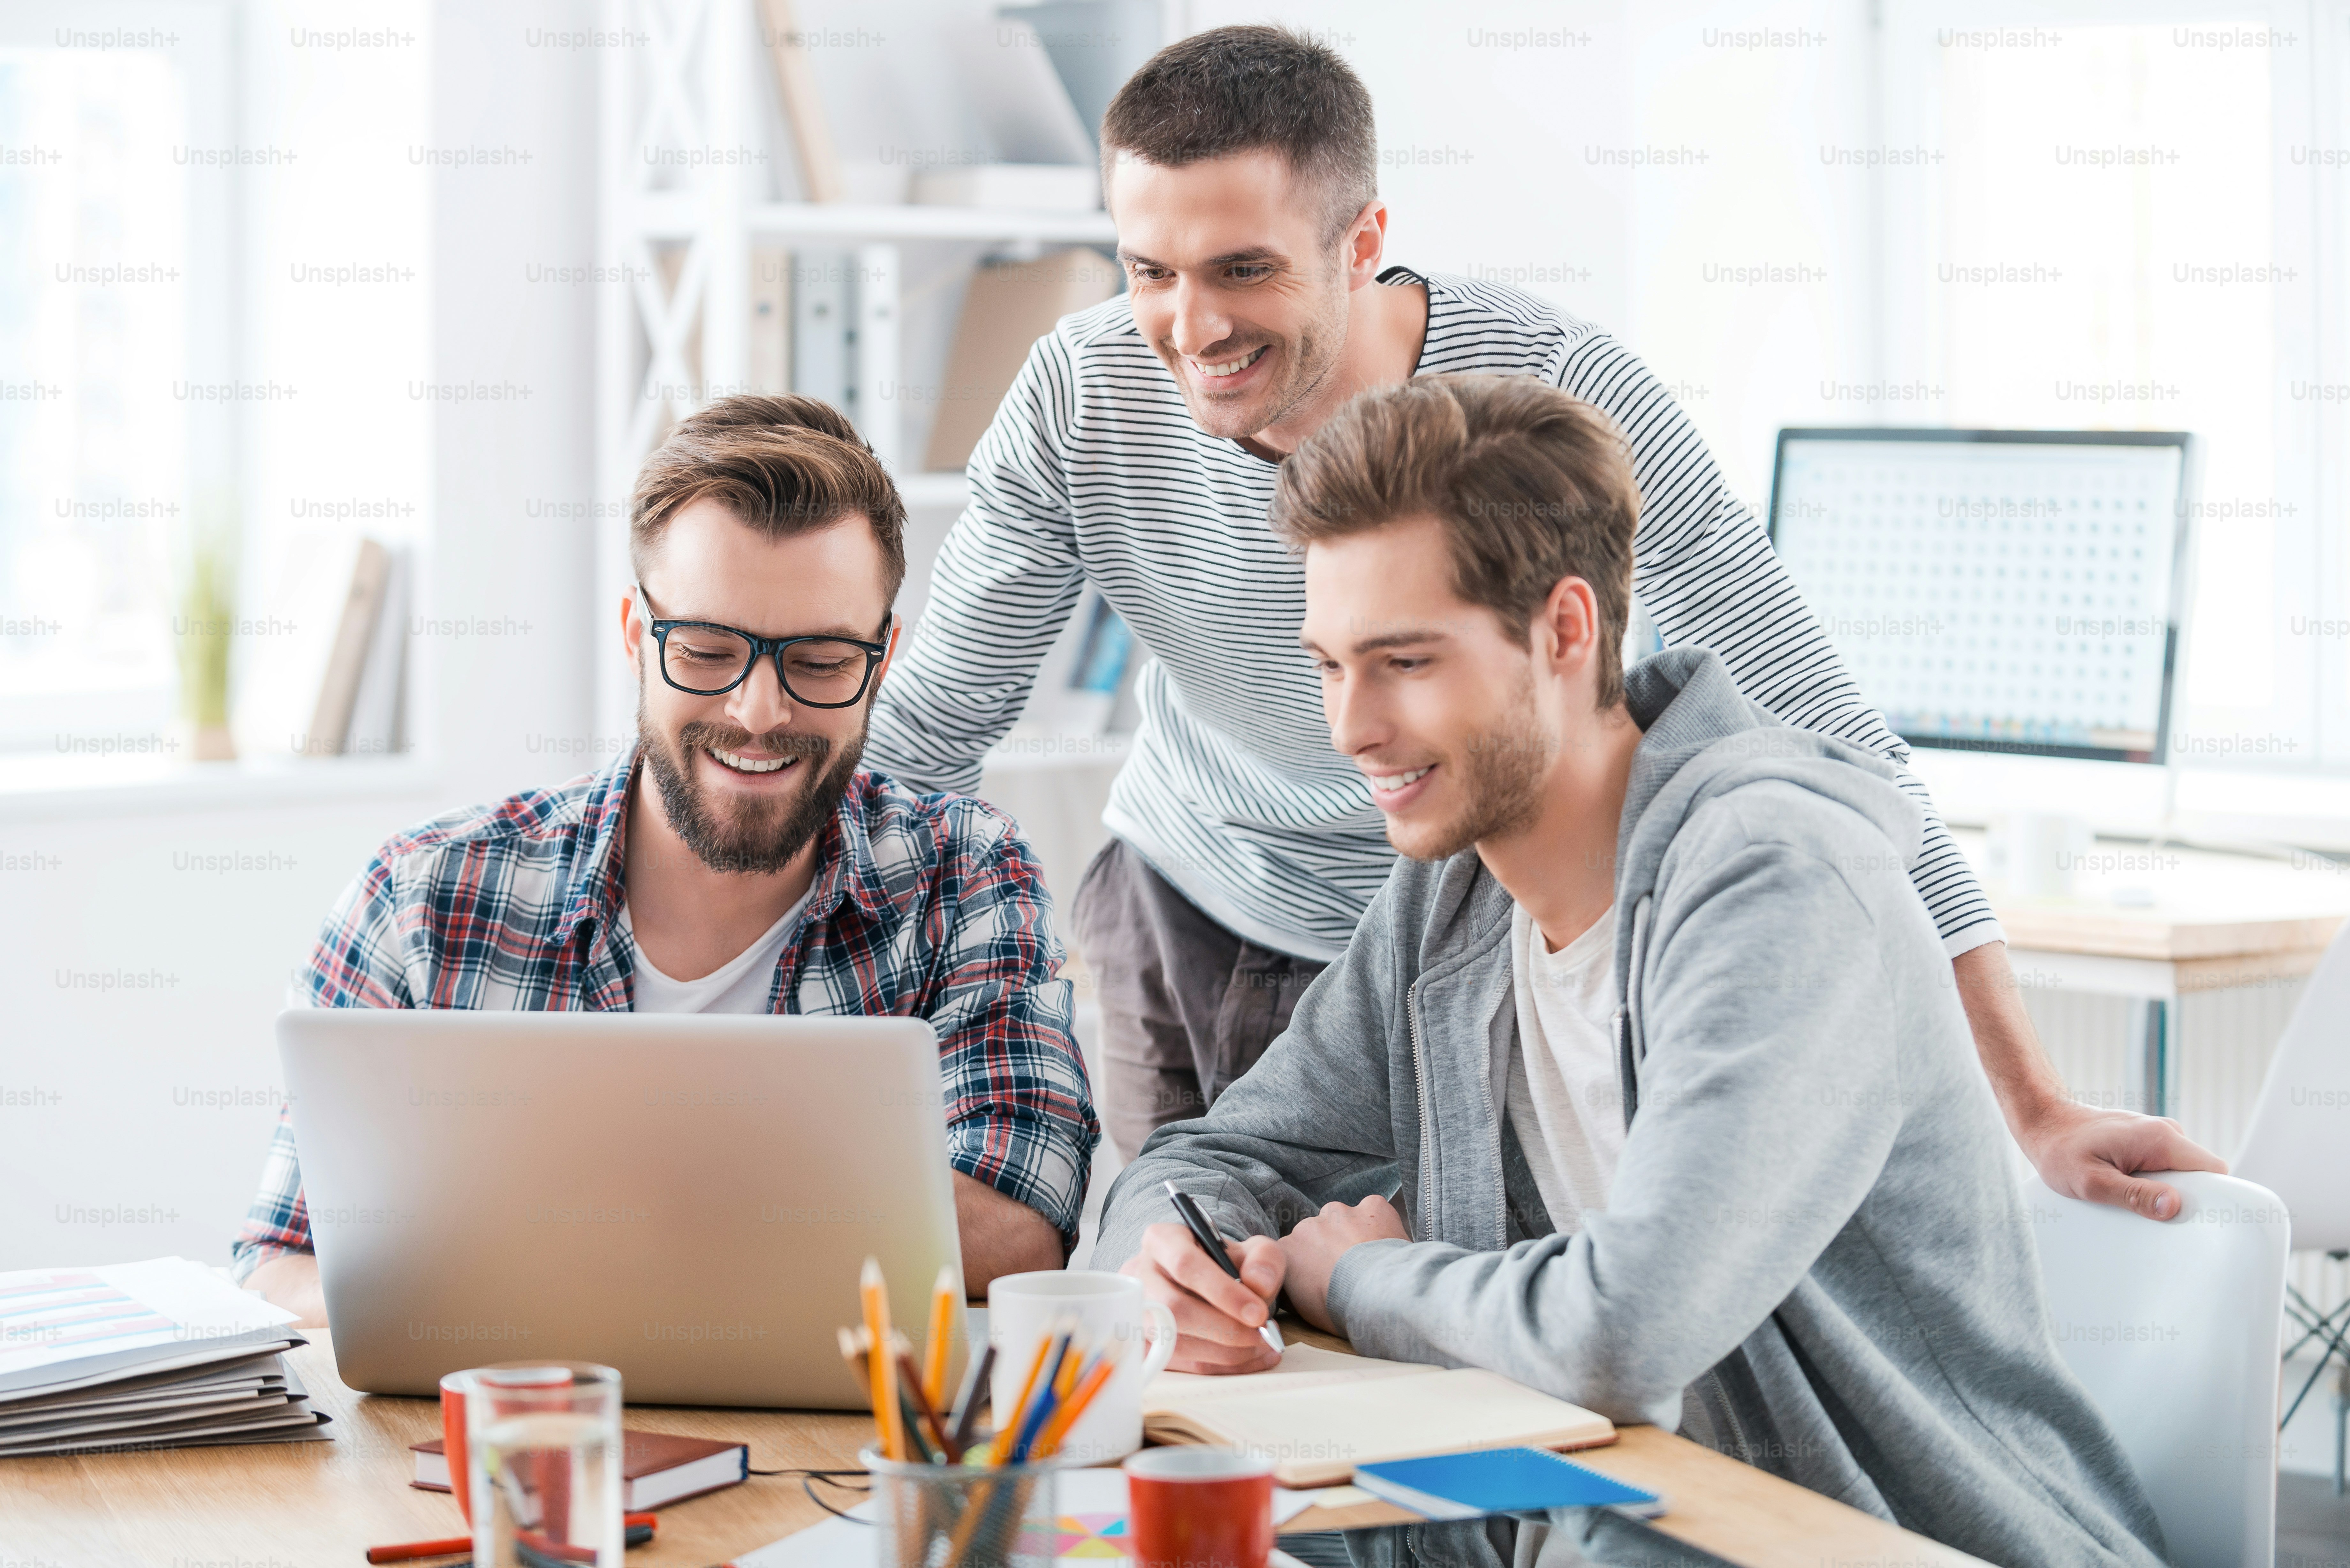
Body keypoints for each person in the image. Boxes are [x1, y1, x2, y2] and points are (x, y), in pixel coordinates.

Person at [861, 24, 2220, 1215]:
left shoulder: (1554, 397)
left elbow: (1831, 738)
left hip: (1459, 932)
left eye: (1240, 270)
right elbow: (930, 731)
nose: (1187, 326)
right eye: (1146, 270)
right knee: (1201, 1333)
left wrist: (2031, 1104)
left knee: (1434, 1354)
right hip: (1188, 899)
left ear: (1365, 243)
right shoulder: (1080, 392)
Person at [1095, 376, 2167, 1568]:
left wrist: (1359, 1279)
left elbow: (1625, 1330)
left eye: (1404, 662)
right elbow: (1222, 1155)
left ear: (1565, 630)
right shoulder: (1449, 898)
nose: (1351, 727)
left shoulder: (1777, 878)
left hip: (1886, 1537)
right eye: (1331, 666)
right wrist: (1174, 1261)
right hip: (1626, 1521)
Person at [234, 396, 1098, 1323]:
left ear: (883, 658)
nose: (759, 712)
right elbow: (284, 1259)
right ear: (636, 638)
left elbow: (1021, 1226)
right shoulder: (423, 894)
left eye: (818, 660)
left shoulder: (964, 875)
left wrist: (586, 1225)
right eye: (708, 650)